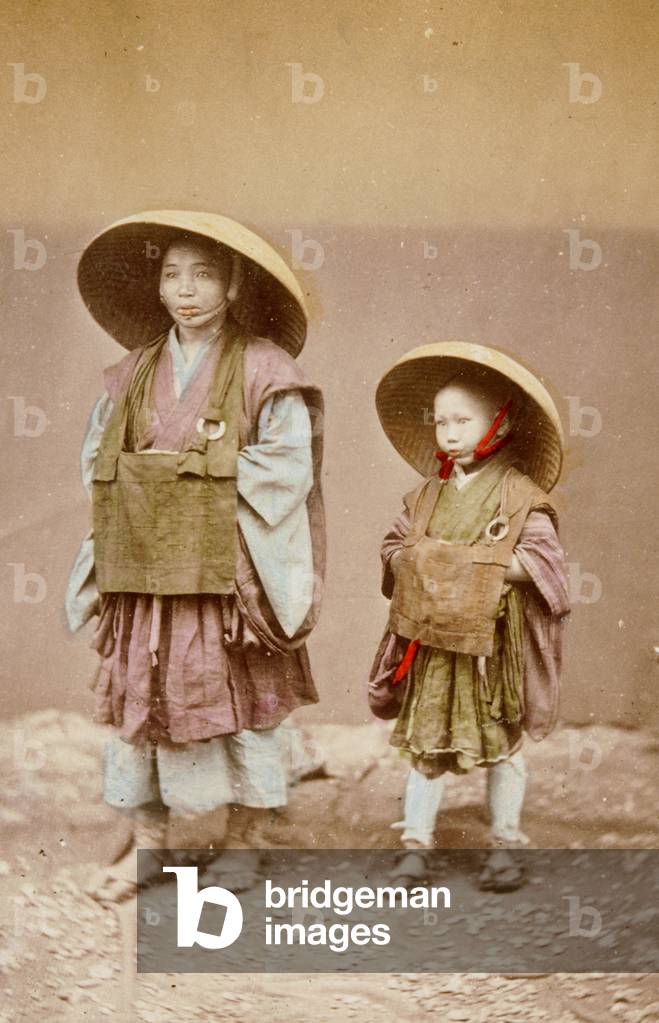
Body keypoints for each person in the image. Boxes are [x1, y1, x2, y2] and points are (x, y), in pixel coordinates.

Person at [66, 210, 325, 901]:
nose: (187, 289)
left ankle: (246, 842)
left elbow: (286, 467)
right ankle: (150, 846)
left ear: (234, 284)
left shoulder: (267, 369)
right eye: (172, 273)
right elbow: (98, 459)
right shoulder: (133, 372)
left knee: (246, 701)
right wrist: (153, 486)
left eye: (204, 274)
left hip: (227, 570)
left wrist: (194, 479)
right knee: (139, 697)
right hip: (147, 563)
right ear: (155, 284)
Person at [368, 342, 570, 891]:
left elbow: (545, 565)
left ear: (501, 425)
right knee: (426, 746)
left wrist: (461, 564)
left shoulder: (519, 497)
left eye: (463, 421)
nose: (449, 434)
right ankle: (416, 842)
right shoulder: (426, 495)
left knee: (502, 746)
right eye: (441, 422)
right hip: (433, 642)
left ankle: (505, 844)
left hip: (490, 648)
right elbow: (393, 546)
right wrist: (419, 559)